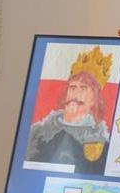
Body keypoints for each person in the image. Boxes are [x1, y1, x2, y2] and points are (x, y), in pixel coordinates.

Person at [26, 46, 113, 174]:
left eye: (83, 88)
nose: (75, 94)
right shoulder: (36, 133)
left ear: (94, 100)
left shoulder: (101, 143)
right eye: (72, 87)